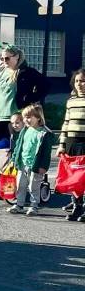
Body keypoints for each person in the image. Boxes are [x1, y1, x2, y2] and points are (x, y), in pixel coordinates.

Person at [0, 43, 47, 143]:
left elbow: (46, 85)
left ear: (16, 57)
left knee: (16, 148)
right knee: (0, 151)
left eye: (7, 58)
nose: (4, 61)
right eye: (2, 59)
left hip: (16, 119)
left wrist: (29, 99)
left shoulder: (27, 72)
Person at [7, 103, 54, 217]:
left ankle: (34, 206)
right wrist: (14, 159)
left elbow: (46, 153)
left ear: (38, 117)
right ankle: (19, 204)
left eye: (29, 117)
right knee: (20, 184)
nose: (26, 120)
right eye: (24, 117)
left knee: (34, 186)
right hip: (22, 163)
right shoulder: (25, 130)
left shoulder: (44, 133)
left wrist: (43, 166)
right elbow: (19, 145)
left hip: (35, 165)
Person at [58, 69, 85, 221]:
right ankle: (77, 207)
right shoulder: (71, 101)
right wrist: (62, 145)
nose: (79, 84)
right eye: (76, 81)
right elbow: (66, 124)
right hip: (71, 143)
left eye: (82, 81)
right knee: (74, 178)